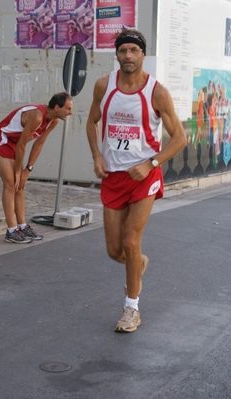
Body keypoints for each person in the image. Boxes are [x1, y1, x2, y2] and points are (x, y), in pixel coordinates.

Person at [86, 29, 186, 333]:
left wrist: (151, 163)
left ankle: (132, 309)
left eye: (133, 50)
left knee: (131, 240)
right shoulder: (104, 86)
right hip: (114, 176)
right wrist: (97, 157)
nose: (128, 56)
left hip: (144, 176)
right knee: (115, 250)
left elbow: (180, 138)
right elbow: (91, 122)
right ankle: (137, 262)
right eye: (122, 51)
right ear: (116, 54)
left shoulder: (157, 92)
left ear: (143, 54)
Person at [0, 92, 73, 244]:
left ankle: (22, 226)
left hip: (15, 144)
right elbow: (21, 145)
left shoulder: (53, 121)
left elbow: (39, 143)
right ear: (57, 107)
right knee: (11, 184)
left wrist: (28, 169)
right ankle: (11, 231)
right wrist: (19, 171)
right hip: (3, 139)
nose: (70, 112)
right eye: (68, 108)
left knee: (20, 186)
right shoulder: (37, 116)